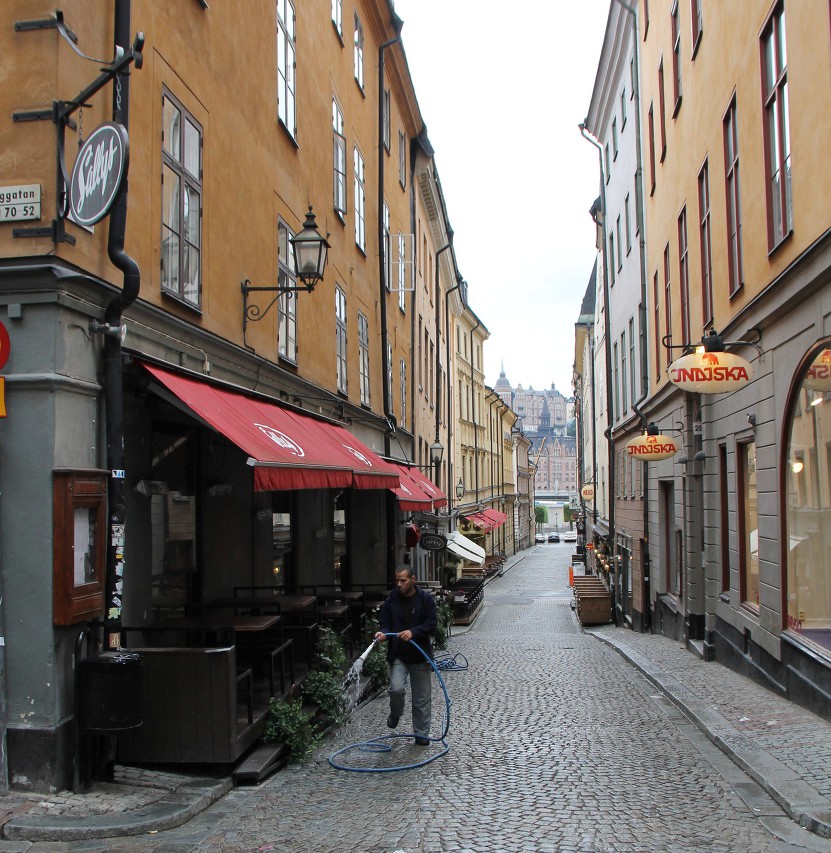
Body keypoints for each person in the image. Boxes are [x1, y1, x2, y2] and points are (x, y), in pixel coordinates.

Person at [375, 565, 437, 745]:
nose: (399, 584)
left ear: (412, 579)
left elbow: (431, 623)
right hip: (399, 655)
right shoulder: (392, 599)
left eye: (403, 580)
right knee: (395, 689)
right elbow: (384, 622)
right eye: (397, 581)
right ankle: (396, 713)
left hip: (420, 655)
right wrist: (383, 633)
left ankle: (422, 734)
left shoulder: (425, 600)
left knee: (421, 699)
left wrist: (413, 632)